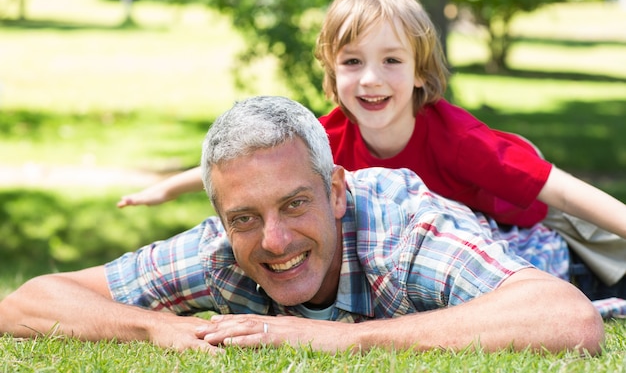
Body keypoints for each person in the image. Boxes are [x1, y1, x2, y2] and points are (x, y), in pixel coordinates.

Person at [116, 0, 626, 300]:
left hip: (512, 234)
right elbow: (251, 164)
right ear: (332, 73)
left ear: (421, 73)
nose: (370, 80)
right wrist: (167, 189)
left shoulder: (459, 140)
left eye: (392, 61)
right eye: (353, 62)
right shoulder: (329, 134)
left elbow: (558, 190)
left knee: (534, 278)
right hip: (427, 246)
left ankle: (592, 275)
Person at [0, 96, 604, 354]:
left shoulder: (405, 234)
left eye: (295, 205)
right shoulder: (220, 251)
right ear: (221, 222)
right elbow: (24, 305)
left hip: (545, 251)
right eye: (245, 218)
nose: (275, 240)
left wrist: (343, 340)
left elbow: (567, 317)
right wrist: (157, 333)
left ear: (336, 190)